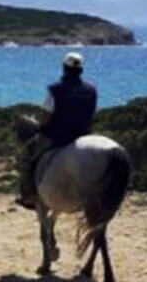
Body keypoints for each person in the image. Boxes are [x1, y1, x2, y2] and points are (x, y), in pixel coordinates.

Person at [17, 51, 98, 209]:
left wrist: (40, 126)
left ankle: (28, 196)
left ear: (64, 68)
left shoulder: (54, 89)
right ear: (81, 70)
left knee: (25, 158)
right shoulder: (91, 90)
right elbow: (92, 114)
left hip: (57, 136)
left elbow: (46, 117)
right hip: (83, 136)